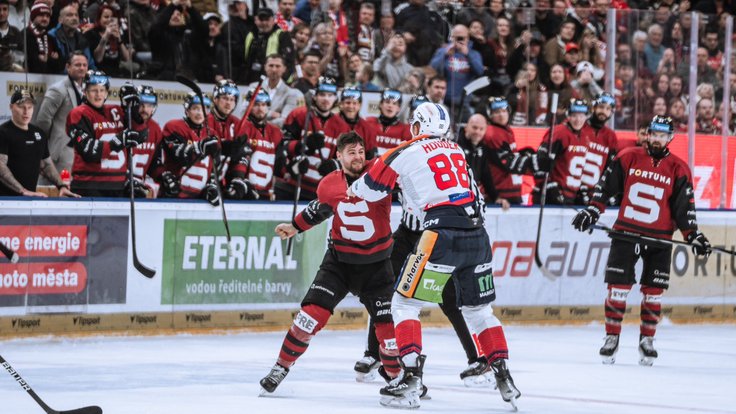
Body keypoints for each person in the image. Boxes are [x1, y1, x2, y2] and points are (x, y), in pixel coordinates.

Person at [348, 102, 520, 409]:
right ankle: (503, 375)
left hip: (440, 234)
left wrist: (350, 186)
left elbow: (368, 190)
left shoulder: (404, 151)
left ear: (416, 126)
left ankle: (410, 376)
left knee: (403, 303)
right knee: (481, 312)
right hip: (478, 234)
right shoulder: (457, 150)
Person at [260, 131, 400, 394]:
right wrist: (295, 227)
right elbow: (321, 208)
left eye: (361, 152)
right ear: (339, 156)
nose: (358, 157)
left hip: (377, 266)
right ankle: (281, 366)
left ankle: (397, 379)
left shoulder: (380, 172)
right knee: (307, 319)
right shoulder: (328, 184)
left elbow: (404, 162)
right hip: (339, 264)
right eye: (351, 152)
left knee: (390, 336)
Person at [571, 115, 712, 366]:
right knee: (617, 288)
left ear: (670, 138)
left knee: (654, 293)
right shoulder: (628, 156)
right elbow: (605, 188)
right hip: (626, 233)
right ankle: (611, 338)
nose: (656, 138)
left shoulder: (679, 169)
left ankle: (647, 340)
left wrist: (694, 235)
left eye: (662, 135)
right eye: (653, 133)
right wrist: (592, 210)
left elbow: (684, 209)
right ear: (647, 134)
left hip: (659, 239)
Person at [67, 70, 143, 197]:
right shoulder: (78, 113)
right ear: (85, 92)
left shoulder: (116, 111)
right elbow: (88, 150)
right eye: (93, 90)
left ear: (107, 92)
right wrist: (115, 143)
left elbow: (141, 137)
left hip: (118, 186)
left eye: (102, 90)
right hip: (88, 186)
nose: (98, 95)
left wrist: (134, 113)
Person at [0, 89, 79, 198]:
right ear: (11, 107)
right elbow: (0, 166)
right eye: (21, 106)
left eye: (29, 107)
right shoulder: (3, 132)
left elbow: (46, 165)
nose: (26, 111)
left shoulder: (39, 134)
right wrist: (22, 191)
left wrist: (61, 186)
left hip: (31, 199)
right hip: (5, 200)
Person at [275, 76, 337, 201]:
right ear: (315, 96)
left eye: (330, 95)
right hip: (290, 186)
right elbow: (282, 145)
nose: (326, 99)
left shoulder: (341, 125)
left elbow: (343, 158)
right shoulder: (299, 114)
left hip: (319, 192)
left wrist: (334, 165)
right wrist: (303, 145)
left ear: (335, 98)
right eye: (322, 94)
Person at [34, 51, 88, 186]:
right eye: (77, 65)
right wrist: (44, 148)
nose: (81, 68)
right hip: (60, 151)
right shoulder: (58, 89)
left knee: (73, 192)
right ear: (68, 67)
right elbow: (43, 120)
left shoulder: (89, 90)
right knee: (51, 189)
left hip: (81, 153)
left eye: (84, 65)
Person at [159, 92, 221, 202]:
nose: (199, 113)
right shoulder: (173, 126)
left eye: (203, 109)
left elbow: (214, 167)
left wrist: (211, 185)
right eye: (195, 108)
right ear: (187, 110)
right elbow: (178, 155)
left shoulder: (212, 134)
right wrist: (199, 147)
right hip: (174, 194)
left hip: (200, 198)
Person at [532, 98, 592, 205]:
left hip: (570, 197)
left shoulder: (585, 137)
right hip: (552, 195)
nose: (578, 120)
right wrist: (549, 186)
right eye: (574, 115)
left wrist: (580, 189)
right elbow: (541, 161)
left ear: (586, 116)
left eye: (581, 116)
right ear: (568, 115)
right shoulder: (559, 133)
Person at [483, 97, 534, 205]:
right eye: (497, 112)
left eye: (504, 111)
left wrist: (521, 154)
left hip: (512, 190)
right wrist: (534, 164)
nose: (501, 115)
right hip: (501, 192)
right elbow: (506, 162)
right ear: (490, 114)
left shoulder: (506, 130)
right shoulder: (493, 133)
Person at [235, 89, 282, 200]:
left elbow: (280, 165)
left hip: (266, 193)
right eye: (256, 104)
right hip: (244, 191)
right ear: (248, 106)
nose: (260, 109)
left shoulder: (276, 132)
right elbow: (238, 159)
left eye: (263, 105)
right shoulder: (242, 127)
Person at [320, 87, 377, 174]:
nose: (351, 106)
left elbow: (370, 158)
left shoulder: (367, 129)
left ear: (360, 105)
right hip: (328, 172)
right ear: (341, 104)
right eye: (347, 102)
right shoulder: (329, 122)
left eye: (355, 103)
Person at [460, 113, 509, 209]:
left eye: (481, 129)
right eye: (474, 127)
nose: (477, 132)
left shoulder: (483, 148)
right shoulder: (456, 146)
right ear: (466, 127)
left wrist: (495, 198)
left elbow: (486, 176)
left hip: (472, 197)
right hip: (457, 198)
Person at [579, 92, 618, 204]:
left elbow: (609, 169)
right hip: (573, 190)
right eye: (601, 107)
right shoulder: (580, 126)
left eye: (608, 109)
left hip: (593, 194)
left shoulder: (611, 136)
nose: (603, 111)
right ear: (594, 107)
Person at [249, 54, 304, 128]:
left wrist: (259, 123)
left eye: (278, 66)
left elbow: (284, 120)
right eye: (271, 65)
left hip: (275, 134)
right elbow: (245, 111)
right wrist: (271, 114)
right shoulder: (254, 87)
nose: (274, 69)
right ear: (265, 67)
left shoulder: (292, 93)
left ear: (284, 69)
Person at [129, 84, 164, 197]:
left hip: (139, 186)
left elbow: (154, 165)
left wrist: (163, 176)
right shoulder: (125, 122)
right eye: (141, 104)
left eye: (149, 105)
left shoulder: (155, 129)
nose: (145, 109)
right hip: (119, 185)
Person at [365, 88, 411, 156]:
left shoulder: (405, 130)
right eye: (387, 102)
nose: (390, 106)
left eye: (394, 103)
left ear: (398, 108)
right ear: (380, 104)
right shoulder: (368, 123)